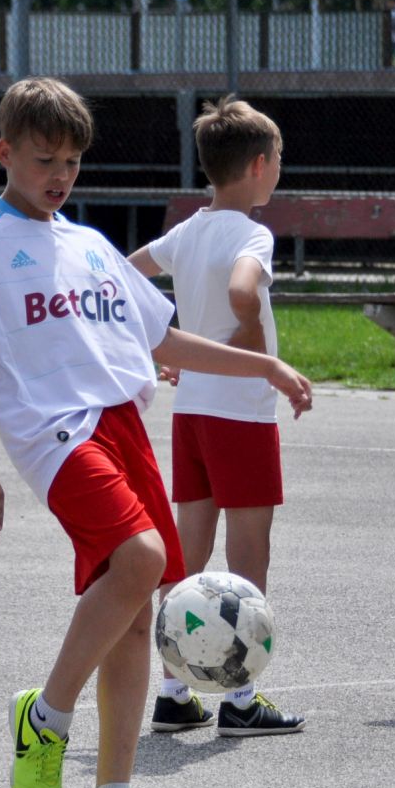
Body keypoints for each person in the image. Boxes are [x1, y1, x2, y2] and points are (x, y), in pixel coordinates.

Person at [0, 78, 313, 788]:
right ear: (4, 154)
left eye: (70, 161)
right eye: (42, 160)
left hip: (123, 423)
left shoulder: (92, 246)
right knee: (142, 561)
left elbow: (163, 340)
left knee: (140, 609)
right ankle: (46, 716)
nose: (58, 175)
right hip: (56, 432)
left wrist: (262, 364)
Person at [127, 96, 305, 737]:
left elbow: (124, 275)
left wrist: (162, 340)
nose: (280, 168)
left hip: (194, 411)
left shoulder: (187, 229)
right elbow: (240, 288)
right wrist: (252, 334)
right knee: (249, 553)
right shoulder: (253, 233)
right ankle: (241, 696)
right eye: (279, 158)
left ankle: (175, 691)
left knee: (188, 550)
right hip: (243, 411)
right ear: (259, 166)